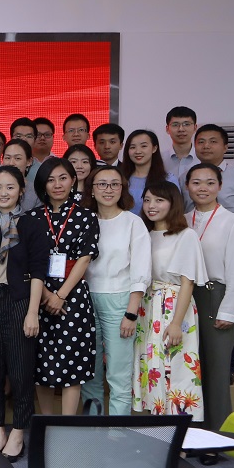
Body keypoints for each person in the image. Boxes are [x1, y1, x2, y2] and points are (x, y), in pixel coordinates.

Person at [0, 166, 49, 460]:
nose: (3, 193)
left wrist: (33, 312)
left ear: (21, 191)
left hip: (20, 300)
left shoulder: (33, 224)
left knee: (20, 372)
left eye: (10, 187)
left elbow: (39, 271)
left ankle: (18, 432)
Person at [30, 158, 100, 416]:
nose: (57, 184)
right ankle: (47, 424)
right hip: (38, 293)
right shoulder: (32, 217)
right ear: (42, 185)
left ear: (73, 180)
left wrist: (60, 295)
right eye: (50, 180)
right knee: (41, 363)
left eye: (62, 178)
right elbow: (27, 260)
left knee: (73, 363)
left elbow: (85, 258)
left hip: (74, 295)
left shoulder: (86, 216)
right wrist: (47, 295)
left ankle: (66, 425)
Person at [133, 180, 207, 421]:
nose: (151, 206)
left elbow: (188, 282)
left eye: (159, 200)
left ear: (173, 203)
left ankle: (180, 429)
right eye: (147, 200)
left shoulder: (186, 235)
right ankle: (155, 424)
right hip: (147, 307)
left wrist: (176, 323)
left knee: (176, 366)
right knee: (151, 364)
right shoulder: (144, 234)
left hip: (174, 306)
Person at [80, 166, 150, 416]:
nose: (108, 189)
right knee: (90, 373)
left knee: (118, 374)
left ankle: (118, 431)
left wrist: (131, 313)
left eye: (114, 184)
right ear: (92, 189)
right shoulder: (84, 220)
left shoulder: (133, 222)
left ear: (122, 189)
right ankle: (92, 427)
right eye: (102, 184)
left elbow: (141, 270)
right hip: (85, 300)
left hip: (120, 301)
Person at [185, 163, 234, 429]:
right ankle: (192, 432)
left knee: (216, 371)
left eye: (210, 182)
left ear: (220, 187)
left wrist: (229, 311)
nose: (203, 188)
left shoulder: (233, 222)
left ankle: (218, 435)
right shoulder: (182, 219)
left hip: (215, 297)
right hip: (186, 298)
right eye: (196, 182)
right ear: (187, 186)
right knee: (190, 369)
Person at [192, 125, 234, 269]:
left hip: (228, 249)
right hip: (193, 249)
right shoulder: (187, 177)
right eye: (201, 142)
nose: (206, 146)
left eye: (213, 141)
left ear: (225, 147)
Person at [0, 140, 41, 218]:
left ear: (29, 161)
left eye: (17, 158)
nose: (11, 163)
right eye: (7, 158)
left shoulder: (36, 192)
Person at [120, 130, 177, 202]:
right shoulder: (120, 178)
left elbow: (176, 206)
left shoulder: (168, 179)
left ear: (154, 148)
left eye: (143, 146)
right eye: (132, 147)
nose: (138, 151)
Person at [163, 106, 199, 183]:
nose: (181, 129)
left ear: (195, 128)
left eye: (186, 124)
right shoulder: (159, 160)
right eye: (175, 125)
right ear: (167, 129)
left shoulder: (202, 159)